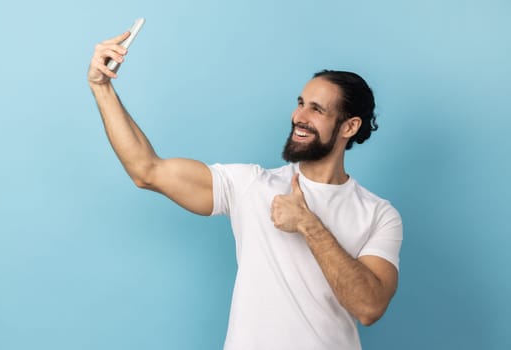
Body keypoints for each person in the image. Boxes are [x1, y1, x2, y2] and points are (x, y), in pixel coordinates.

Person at [88, 31, 403, 350]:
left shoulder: (379, 214)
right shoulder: (251, 185)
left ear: (349, 127)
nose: (299, 117)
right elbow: (147, 170)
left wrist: (309, 225)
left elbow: (369, 307)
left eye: (317, 110)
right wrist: (102, 88)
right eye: (300, 104)